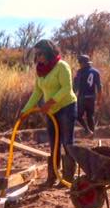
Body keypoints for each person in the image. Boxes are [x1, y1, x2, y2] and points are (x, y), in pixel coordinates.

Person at [20, 39, 78, 186]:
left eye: (40, 54)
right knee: (54, 144)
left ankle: (68, 178)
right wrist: (25, 111)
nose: (38, 57)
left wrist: (50, 103)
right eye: (36, 54)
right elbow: (37, 91)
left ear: (48, 52)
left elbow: (66, 89)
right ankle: (52, 177)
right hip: (51, 111)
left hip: (66, 107)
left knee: (67, 142)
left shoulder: (61, 66)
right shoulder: (40, 70)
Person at [73, 53, 102, 134]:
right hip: (92, 97)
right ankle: (92, 135)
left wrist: (73, 94)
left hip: (82, 97)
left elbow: (76, 86)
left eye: (80, 63)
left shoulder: (80, 72)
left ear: (82, 63)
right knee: (90, 116)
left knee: (78, 116)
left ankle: (88, 131)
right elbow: (99, 87)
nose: (79, 65)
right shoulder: (96, 72)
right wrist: (99, 99)